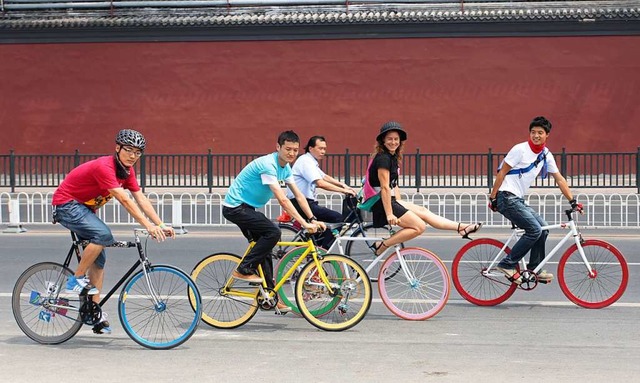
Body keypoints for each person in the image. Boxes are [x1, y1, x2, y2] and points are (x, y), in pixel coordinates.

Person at [52, 129, 175, 335]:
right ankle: (77, 277)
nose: (133, 156)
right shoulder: (105, 167)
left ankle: (93, 311)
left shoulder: (127, 172)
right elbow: (125, 200)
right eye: (128, 150)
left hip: (84, 209)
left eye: (138, 152)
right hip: (67, 205)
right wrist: (148, 226)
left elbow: (140, 198)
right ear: (117, 148)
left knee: (99, 261)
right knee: (104, 235)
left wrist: (160, 224)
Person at [222, 130, 326, 313]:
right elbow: (283, 200)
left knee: (265, 247)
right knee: (273, 232)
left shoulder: (285, 168)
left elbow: (299, 195)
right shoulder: (268, 165)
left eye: (295, 150)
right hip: (235, 207)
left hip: (248, 207)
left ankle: (269, 296)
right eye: (288, 149)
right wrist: (303, 223)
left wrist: (312, 219)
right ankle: (243, 269)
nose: (292, 153)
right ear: (278, 147)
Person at [489, 116, 582, 284]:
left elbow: (559, 179)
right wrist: (493, 196)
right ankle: (507, 264)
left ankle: (534, 269)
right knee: (534, 230)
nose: (536, 135)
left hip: (517, 199)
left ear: (547, 135)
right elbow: (502, 172)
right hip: (506, 197)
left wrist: (573, 201)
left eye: (540, 132)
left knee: (544, 229)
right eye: (533, 132)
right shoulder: (520, 149)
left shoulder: (546, 155)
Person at [365, 121, 483, 254]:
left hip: (389, 200)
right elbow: (385, 187)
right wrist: (390, 214)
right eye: (390, 139)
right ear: (383, 141)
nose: (393, 142)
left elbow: (394, 185)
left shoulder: (392, 157)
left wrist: (401, 205)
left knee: (423, 210)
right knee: (418, 227)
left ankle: (461, 227)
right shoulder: (383, 159)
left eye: (396, 139)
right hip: (380, 202)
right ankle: (382, 245)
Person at [286, 135, 357, 248]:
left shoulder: (311, 161)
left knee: (322, 226)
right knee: (337, 218)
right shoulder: (305, 162)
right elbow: (320, 183)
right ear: (310, 148)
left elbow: (324, 176)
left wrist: (343, 185)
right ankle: (322, 251)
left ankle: (308, 247)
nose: (323, 151)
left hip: (307, 202)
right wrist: (343, 191)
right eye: (320, 148)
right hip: (301, 202)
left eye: (324, 149)